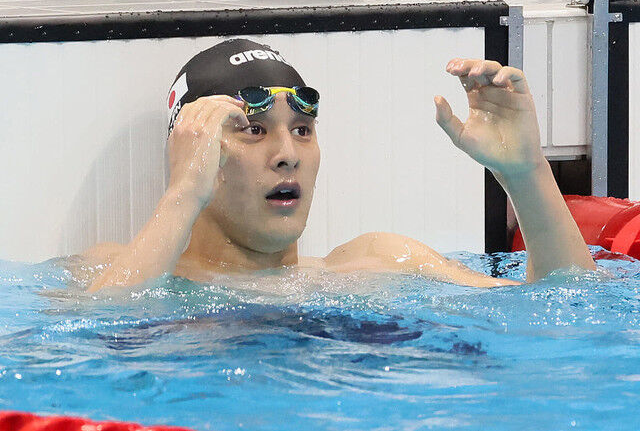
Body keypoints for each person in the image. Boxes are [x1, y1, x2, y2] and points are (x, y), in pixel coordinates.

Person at [83, 39, 595, 293]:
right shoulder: (115, 274)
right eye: (254, 130)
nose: (287, 153)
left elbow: (563, 311)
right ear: (194, 151)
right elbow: (106, 337)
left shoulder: (381, 264)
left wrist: (526, 174)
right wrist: (182, 193)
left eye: (302, 129)